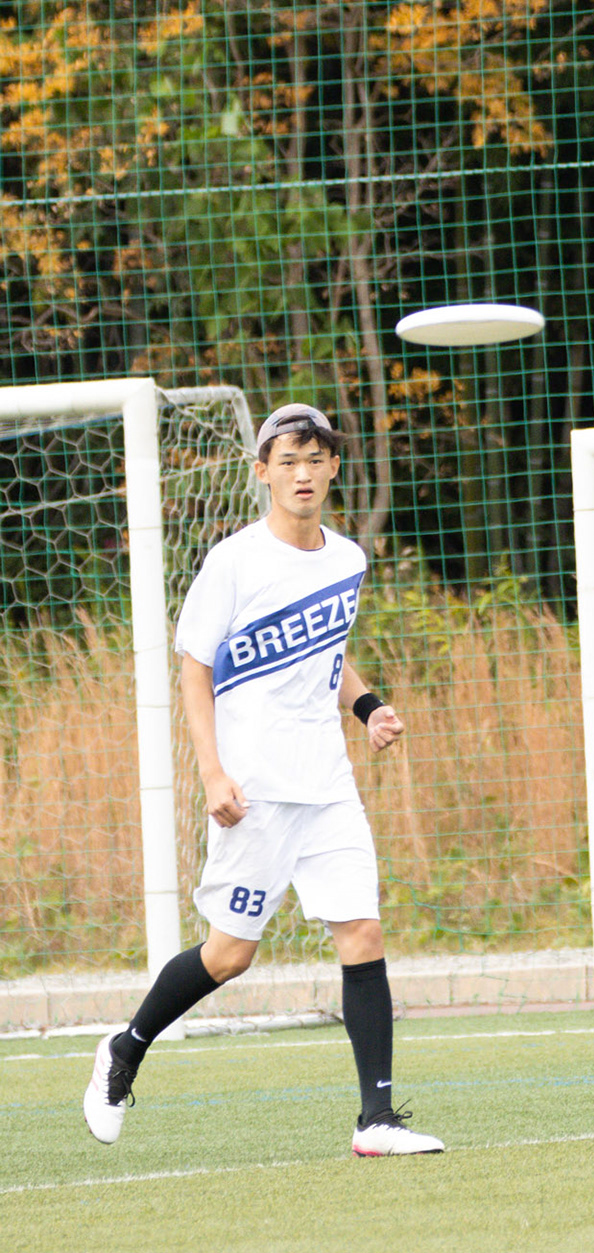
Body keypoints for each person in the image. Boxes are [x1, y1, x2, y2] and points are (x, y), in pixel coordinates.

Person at [82, 404, 441, 1156]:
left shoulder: (347, 560)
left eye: (315, 459)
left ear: (334, 467)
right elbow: (194, 668)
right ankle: (125, 1048)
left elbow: (328, 655)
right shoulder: (234, 562)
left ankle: (375, 1120)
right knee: (229, 955)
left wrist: (367, 708)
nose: (302, 474)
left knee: (362, 930)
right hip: (255, 792)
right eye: (287, 461)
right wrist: (212, 772)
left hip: (328, 785)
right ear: (263, 472)